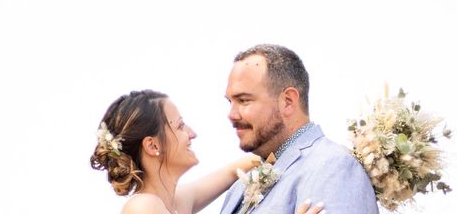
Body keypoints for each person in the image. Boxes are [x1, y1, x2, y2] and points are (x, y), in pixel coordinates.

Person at [90, 89, 326, 214]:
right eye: (180, 125)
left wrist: (284, 145)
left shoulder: (175, 201)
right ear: (153, 146)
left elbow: (233, 171)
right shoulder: (143, 207)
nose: (192, 133)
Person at [221, 44, 379, 214]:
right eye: (230, 102)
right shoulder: (240, 187)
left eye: (244, 100)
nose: (231, 115)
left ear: (288, 101)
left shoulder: (332, 166)